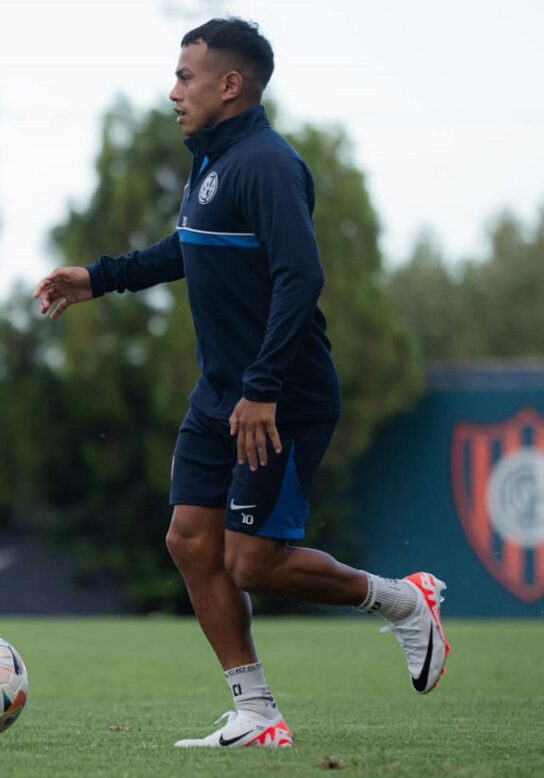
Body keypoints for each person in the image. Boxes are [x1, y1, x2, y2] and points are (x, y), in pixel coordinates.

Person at [34, 18, 449, 749]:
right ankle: (256, 712)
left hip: (279, 397)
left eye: (185, 77)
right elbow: (187, 249)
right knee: (190, 541)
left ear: (231, 84)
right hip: (222, 394)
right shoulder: (213, 160)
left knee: (252, 564)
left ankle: (403, 603)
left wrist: (261, 388)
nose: (172, 92)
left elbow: (301, 275)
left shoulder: (266, 163)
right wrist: (99, 278)